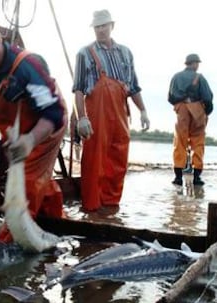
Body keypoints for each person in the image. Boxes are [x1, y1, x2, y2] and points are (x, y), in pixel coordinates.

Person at [0, 17, 68, 240]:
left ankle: (8, 243)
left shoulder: (28, 66)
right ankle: (56, 223)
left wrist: (30, 141)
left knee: (24, 181)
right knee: (36, 178)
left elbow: (53, 113)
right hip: (16, 131)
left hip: (45, 130)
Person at [72, 9, 150, 211]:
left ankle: (111, 206)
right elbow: (79, 89)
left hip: (121, 114)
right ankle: (91, 208)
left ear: (112, 26)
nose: (100, 30)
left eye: (103, 25)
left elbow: (132, 86)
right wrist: (82, 118)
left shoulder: (126, 52)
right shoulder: (84, 53)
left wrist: (142, 110)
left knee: (119, 156)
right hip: (96, 113)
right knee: (94, 159)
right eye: (97, 27)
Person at [168, 54, 213, 186]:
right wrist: (206, 112)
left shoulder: (176, 77)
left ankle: (178, 177)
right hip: (197, 109)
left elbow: (170, 97)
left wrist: (181, 105)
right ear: (194, 64)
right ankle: (197, 178)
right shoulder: (200, 78)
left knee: (179, 142)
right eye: (197, 63)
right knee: (198, 142)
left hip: (181, 109)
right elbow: (208, 98)